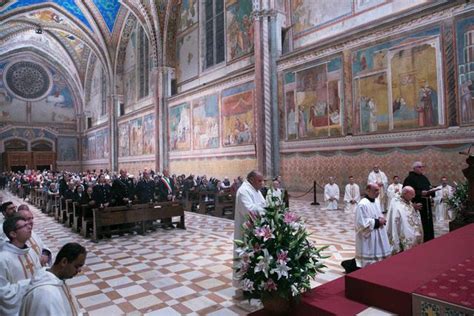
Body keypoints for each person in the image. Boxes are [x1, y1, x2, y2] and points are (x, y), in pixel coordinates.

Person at [20, 243, 86, 316]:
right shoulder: (46, 295)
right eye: (77, 266)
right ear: (64, 262)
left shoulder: (57, 280)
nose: (79, 270)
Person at [0, 215, 42, 315]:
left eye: (28, 224)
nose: (29, 227)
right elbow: (3, 292)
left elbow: (39, 274)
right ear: (13, 234)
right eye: (24, 226)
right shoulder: (3, 259)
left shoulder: (30, 252)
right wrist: (30, 283)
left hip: (35, 305)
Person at [233, 171, 266, 289]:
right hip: (246, 231)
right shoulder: (243, 191)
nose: (262, 183)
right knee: (246, 257)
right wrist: (266, 209)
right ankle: (245, 285)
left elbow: (263, 204)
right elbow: (250, 210)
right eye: (259, 181)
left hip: (258, 230)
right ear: (251, 179)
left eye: (262, 181)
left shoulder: (255, 189)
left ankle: (257, 284)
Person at [355, 184, 391, 268]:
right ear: (367, 191)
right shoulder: (362, 204)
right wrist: (378, 222)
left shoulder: (376, 201)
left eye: (378, 190)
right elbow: (361, 223)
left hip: (378, 232)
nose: (378, 192)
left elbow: (378, 214)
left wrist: (382, 219)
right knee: (370, 262)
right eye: (375, 190)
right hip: (369, 235)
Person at [403, 161, 439, 242]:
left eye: (422, 166)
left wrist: (432, 191)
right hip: (417, 205)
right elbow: (406, 192)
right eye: (419, 167)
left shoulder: (424, 178)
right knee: (420, 223)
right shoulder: (409, 179)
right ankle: (421, 240)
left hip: (426, 205)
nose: (422, 168)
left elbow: (429, 187)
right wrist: (420, 193)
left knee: (428, 222)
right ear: (414, 168)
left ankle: (429, 238)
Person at [386, 186, 424, 254]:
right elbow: (402, 213)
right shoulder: (396, 201)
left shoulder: (406, 199)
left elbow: (408, 208)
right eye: (412, 195)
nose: (413, 197)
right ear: (405, 193)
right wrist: (413, 208)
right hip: (401, 227)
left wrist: (414, 208)